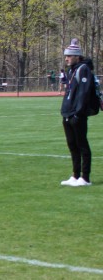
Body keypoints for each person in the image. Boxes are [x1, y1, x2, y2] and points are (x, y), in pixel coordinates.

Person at [59, 39, 94, 186]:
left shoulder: (83, 69)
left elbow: (84, 93)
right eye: (66, 56)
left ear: (77, 56)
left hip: (77, 114)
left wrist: (77, 113)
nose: (66, 58)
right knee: (72, 145)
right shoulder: (71, 70)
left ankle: (85, 178)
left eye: (69, 56)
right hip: (68, 113)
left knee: (82, 144)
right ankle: (75, 175)